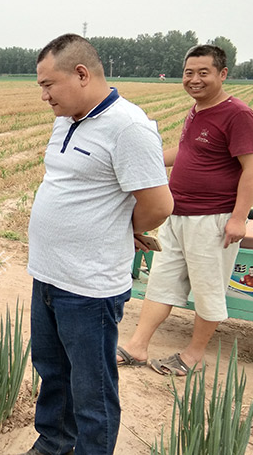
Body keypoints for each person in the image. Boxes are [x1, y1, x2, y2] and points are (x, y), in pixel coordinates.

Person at [22, 34, 173, 455]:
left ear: (82, 74)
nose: (44, 95)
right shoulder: (66, 118)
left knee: (92, 391)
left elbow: (159, 205)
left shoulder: (129, 127)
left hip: (90, 287)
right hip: (49, 276)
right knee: (53, 373)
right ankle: (54, 442)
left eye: (48, 84)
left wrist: (120, 227)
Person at [116, 44, 253, 377]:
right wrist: (135, 157)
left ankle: (194, 354)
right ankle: (138, 346)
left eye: (203, 73)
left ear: (223, 74)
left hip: (212, 219)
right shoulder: (197, 110)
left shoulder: (237, 114)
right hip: (178, 214)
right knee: (162, 283)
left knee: (208, 289)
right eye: (189, 72)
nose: (194, 80)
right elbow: (183, 154)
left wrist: (239, 218)